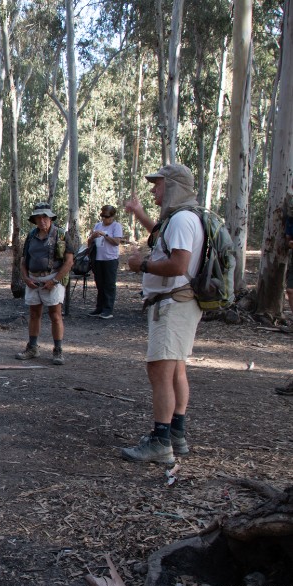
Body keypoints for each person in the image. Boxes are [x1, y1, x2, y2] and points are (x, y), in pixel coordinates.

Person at [121, 163, 203, 464]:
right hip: (180, 303)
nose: (153, 189)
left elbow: (178, 265)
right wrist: (141, 214)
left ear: (173, 186)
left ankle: (161, 441)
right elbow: (162, 238)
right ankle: (176, 434)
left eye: (158, 184)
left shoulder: (181, 220)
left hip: (172, 305)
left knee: (160, 372)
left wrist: (141, 265)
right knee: (177, 369)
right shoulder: (182, 218)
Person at [15, 203, 75, 366]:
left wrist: (54, 281)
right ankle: (33, 347)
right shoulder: (31, 236)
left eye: (45, 217)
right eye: (38, 218)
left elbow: (69, 261)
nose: (42, 221)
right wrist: (26, 278)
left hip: (53, 278)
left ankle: (58, 350)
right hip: (33, 279)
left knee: (55, 314)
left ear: (50, 218)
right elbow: (23, 260)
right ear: (34, 220)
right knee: (34, 313)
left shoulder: (61, 235)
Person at [87, 205, 124, 319]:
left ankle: (108, 309)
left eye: (107, 216)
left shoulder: (116, 226)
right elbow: (89, 241)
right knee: (100, 284)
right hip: (98, 259)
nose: (104, 219)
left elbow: (117, 242)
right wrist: (93, 236)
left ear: (112, 216)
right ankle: (99, 307)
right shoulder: (97, 225)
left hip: (110, 259)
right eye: (102, 216)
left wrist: (105, 235)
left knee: (109, 284)